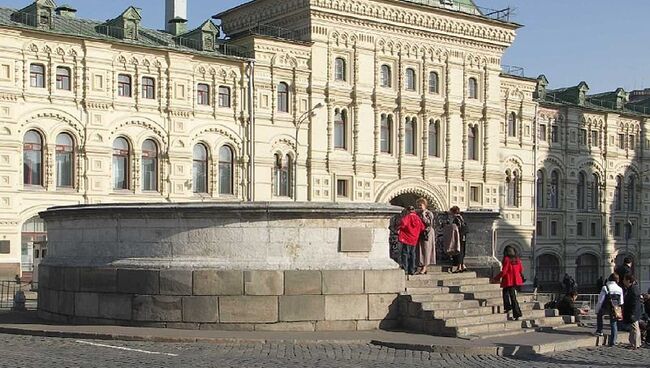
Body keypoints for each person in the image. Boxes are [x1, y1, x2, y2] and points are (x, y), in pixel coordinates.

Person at [492, 246, 523, 321]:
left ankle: (516, 313)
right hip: (515, 280)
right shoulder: (517, 259)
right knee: (506, 293)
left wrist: (496, 278)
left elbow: (504, 271)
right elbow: (521, 269)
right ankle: (508, 308)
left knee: (511, 296)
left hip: (509, 280)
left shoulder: (507, 259)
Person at [594, 273, 624, 346]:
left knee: (599, 315)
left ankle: (600, 330)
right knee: (613, 323)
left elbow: (600, 300)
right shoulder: (620, 289)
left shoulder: (605, 287)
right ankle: (613, 341)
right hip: (615, 308)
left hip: (606, 306)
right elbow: (621, 301)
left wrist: (597, 309)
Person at [398, 206, 425, 276]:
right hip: (414, 239)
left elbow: (403, 224)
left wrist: (399, 228)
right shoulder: (417, 218)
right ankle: (412, 270)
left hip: (406, 238)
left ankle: (405, 269)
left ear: (408, 211)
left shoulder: (408, 217)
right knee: (413, 254)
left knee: (405, 253)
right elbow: (422, 227)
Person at [622, 274, 643, 350]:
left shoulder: (633, 289)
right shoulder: (631, 288)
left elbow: (634, 303)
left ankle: (635, 344)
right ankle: (634, 343)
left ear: (628, 281)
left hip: (633, 312)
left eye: (624, 280)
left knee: (635, 328)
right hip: (632, 312)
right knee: (633, 328)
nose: (623, 281)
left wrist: (633, 313)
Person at [415, 198, 436, 274]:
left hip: (428, 233)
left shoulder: (428, 213)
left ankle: (425, 266)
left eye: (420, 205)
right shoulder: (418, 213)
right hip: (420, 232)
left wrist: (423, 215)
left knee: (427, 249)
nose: (419, 207)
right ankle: (422, 265)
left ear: (424, 205)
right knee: (421, 249)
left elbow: (429, 223)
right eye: (418, 205)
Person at [449, 206, 467, 273]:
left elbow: (456, 228)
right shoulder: (462, 217)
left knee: (459, 250)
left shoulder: (456, 218)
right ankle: (463, 265)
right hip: (463, 236)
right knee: (462, 250)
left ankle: (459, 267)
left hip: (459, 236)